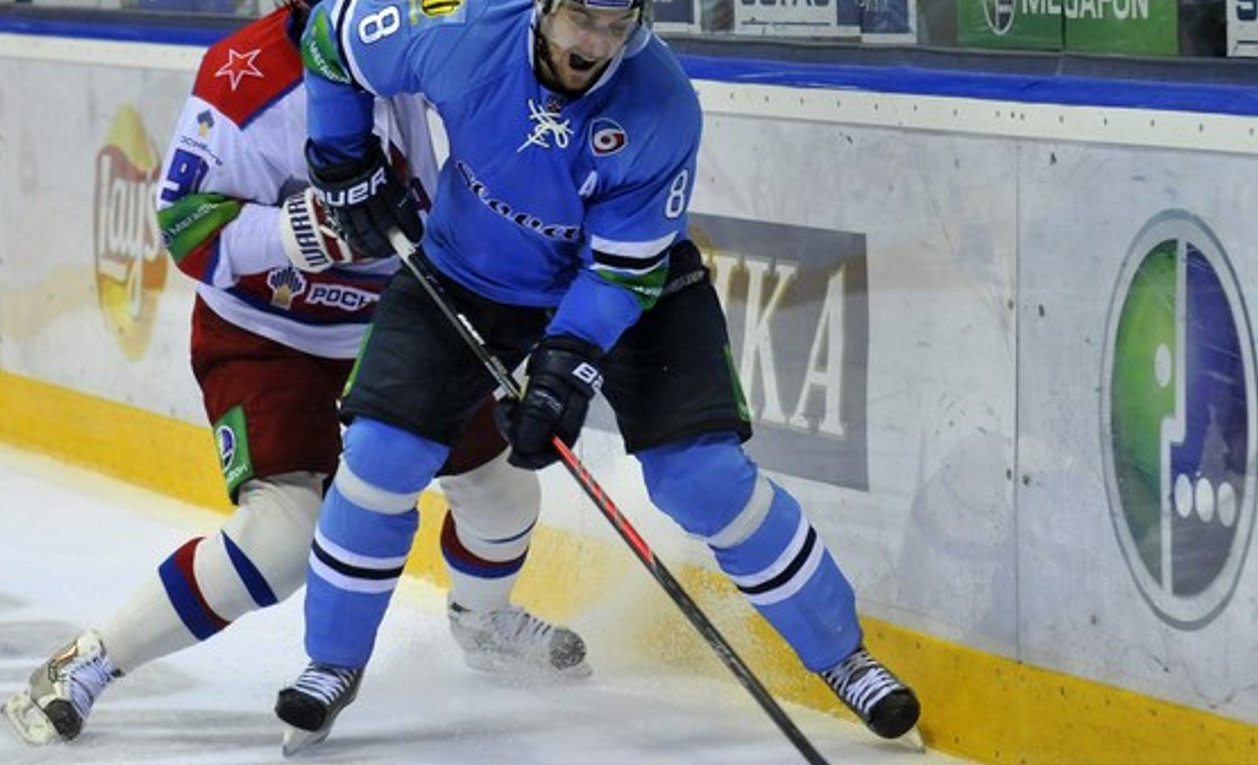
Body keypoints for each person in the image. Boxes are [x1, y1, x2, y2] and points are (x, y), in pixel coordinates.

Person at [274, 0, 922, 753]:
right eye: (582, 16)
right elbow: (328, 38)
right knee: (382, 456)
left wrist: (564, 368)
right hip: (468, 269)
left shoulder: (662, 105)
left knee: (703, 478)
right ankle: (333, 663)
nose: (597, 43)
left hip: (629, 284)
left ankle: (844, 656)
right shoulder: (457, 27)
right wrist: (342, 160)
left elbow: (620, 274)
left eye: (619, 24)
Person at [0, 0, 589, 746]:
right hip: (269, 335)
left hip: (406, 317)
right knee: (282, 538)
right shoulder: (242, 77)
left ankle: (484, 622)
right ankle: (90, 660)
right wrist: (299, 229)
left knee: (502, 490)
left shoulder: (428, 28)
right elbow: (183, 225)